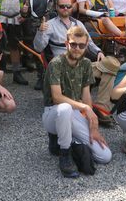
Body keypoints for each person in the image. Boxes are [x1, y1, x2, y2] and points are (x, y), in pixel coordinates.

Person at [42, 26, 112, 178]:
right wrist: (85, 107)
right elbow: (57, 97)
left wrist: (93, 126)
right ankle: (64, 154)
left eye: (81, 45)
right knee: (65, 108)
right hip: (53, 114)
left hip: (73, 113)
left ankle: (63, 142)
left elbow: (86, 96)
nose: (77, 48)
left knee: (104, 156)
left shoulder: (86, 64)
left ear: (86, 46)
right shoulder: (56, 63)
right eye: (73, 44)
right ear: (66, 43)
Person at [21, 0, 59, 90]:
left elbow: (62, 10)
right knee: (38, 54)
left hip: (51, 26)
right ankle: (41, 77)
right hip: (34, 28)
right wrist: (23, 11)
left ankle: (52, 78)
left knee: (51, 53)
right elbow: (25, 15)